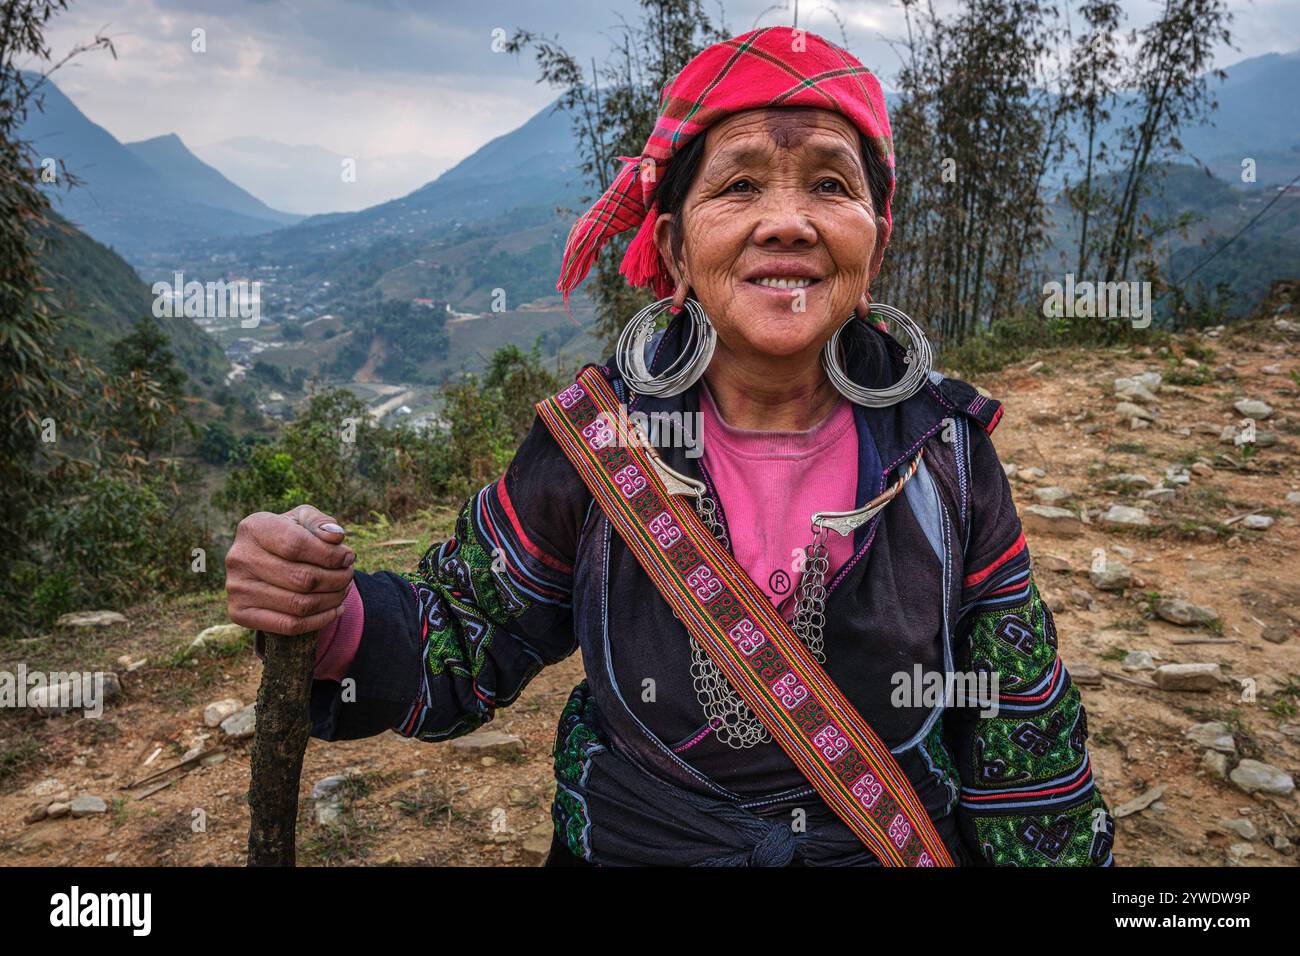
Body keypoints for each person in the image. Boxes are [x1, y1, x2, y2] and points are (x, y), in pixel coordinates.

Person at [226, 26, 1113, 867]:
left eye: (830, 187)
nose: (789, 222)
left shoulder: (946, 458)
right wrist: (325, 613)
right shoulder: (593, 445)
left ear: (874, 243)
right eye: (739, 187)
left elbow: (1016, 720)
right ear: (674, 247)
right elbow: (462, 634)